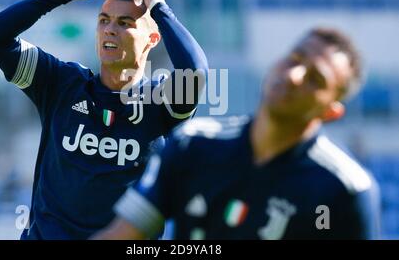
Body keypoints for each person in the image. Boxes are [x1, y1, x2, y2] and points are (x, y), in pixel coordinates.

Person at [0, 0, 208, 239]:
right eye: (104, 20)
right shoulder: (61, 83)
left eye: (125, 23)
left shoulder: (162, 101)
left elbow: (195, 72)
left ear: (152, 39)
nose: (110, 29)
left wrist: (158, 6)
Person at [94, 28, 381, 240]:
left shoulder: (346, 189)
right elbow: (125, 236)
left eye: (315, 79)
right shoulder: (193, 143)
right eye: (294, 58)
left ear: (331, 111)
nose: (294, 76)